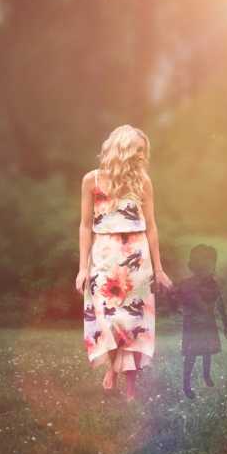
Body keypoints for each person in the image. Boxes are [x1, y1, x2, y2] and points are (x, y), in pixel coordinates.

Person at [75, 124, 174, 401]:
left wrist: (159, 268)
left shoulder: (143, 182)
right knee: (106, 317)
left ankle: (130, 384)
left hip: (136, 257)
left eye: (145, 151)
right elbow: (85, 226)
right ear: (124, 149)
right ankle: (112, 367)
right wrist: (83, 267)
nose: (143, 156)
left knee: (132, 320)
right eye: (139, 150)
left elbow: (152, 226)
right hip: (104, 255)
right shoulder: (91, 181)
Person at [170, 244, 227, 399]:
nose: (212, 268)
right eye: (209, 265)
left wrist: (225, 324)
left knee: (207, 352)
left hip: (207, 324)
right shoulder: (187, 284)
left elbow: (220, 303)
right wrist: (177, 308)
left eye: (213, 264)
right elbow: (174, 296)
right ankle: (186, 385)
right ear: (198, 266)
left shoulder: (212, 284)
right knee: (191, 355)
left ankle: (206, 376)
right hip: (193, 325)